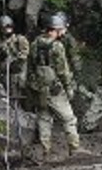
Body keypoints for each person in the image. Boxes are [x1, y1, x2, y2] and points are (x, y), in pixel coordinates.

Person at [27, 14, 88, 158]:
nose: (64, 32)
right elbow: (63, 71)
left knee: (44, 118)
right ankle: (75, 149)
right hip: (54, 90)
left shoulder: (34, 43)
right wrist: (69, 88)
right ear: (57, 29)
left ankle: (45, 151)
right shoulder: (57, 46)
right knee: (69, 119)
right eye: (62, 29)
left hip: (39, 89)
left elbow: (30, 67)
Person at [0, 14, 30, 102]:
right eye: (4, 28)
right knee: (10, 99)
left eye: (9, 27)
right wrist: (0, 55)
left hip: (20, 74)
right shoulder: (0, 45)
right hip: (6, 76)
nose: (7, 30)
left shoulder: (19, 40)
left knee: (22, 98)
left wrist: (13, 58)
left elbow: (25, 55)